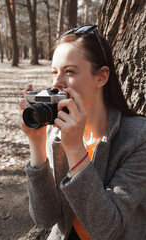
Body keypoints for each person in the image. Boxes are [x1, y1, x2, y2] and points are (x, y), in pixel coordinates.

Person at [19, 25, 146, 240]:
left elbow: (108, 229)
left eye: (69, 71)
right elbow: (45, 218)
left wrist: (75, 148)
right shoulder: (56, 132)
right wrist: (37, 142)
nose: (57, 83)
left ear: (101, 77)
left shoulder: (137, 137)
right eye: (54, 72)